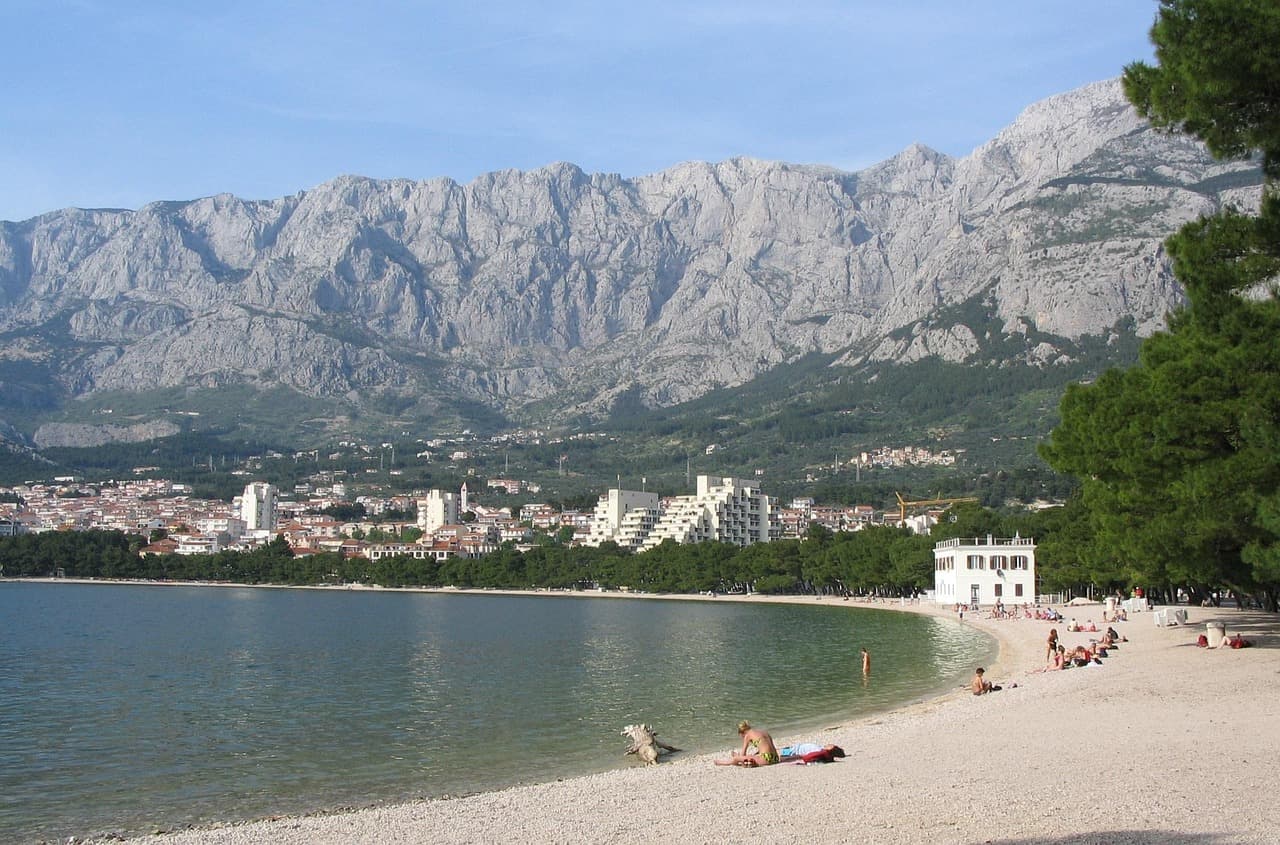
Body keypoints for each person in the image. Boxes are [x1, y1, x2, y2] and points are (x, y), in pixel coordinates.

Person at [715, 720, 780, 767]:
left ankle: (722, 762)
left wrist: (738, 757)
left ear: (742, 732)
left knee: (736, 759)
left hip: (766, 759)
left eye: (741, 736)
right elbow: (766, 748)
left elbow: (743, 754)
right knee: (751, 756)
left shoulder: (748, 735)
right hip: (775, 758)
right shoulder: (764, 733)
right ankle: (747, 760)